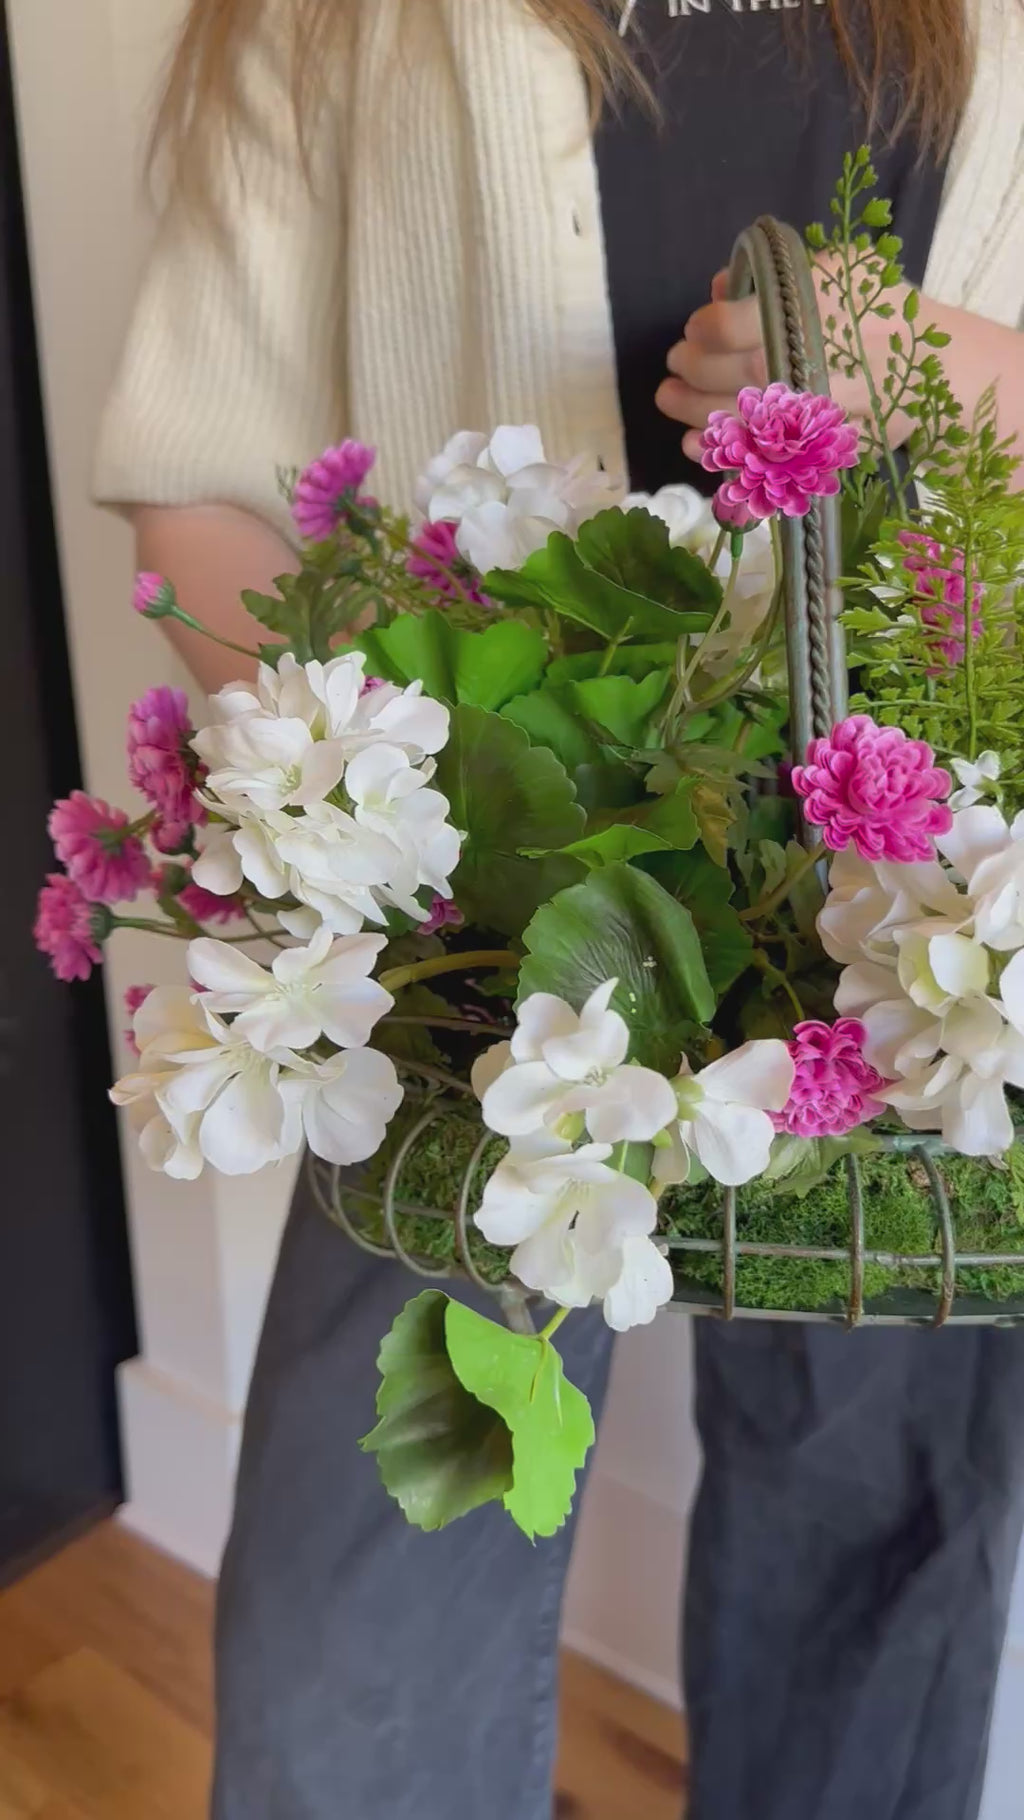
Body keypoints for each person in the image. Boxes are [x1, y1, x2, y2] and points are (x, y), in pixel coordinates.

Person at [96, 3, 1024, 1816]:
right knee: (360, 1620)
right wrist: (376, 826)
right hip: (482, 939)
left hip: (918, 937)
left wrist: (963, 383)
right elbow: (201, 484)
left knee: (875, 1551)